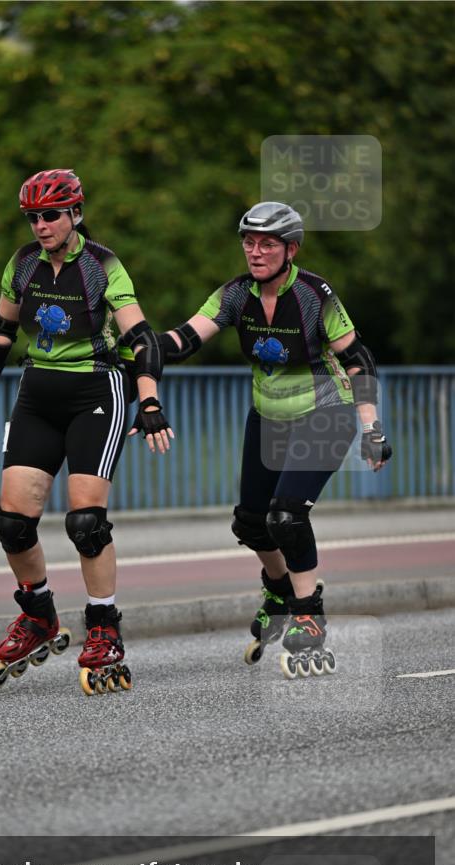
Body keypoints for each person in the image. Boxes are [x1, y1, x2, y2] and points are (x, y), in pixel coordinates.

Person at [157, 201, 391, 676]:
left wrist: (371, 426)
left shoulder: (314, 295)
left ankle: (308, 613)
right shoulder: (234, 295)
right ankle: (280, 591)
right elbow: (184, 340)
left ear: (291, 250)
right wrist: (138, 346)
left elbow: (358, 359)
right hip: (268, 416)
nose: (256, 252)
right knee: (250, 524)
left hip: (326, 411)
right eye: (249, 242)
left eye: (267, 244)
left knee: (285, 516)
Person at [0, 168, 172, 695]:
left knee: (85, 523)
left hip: (96, 391)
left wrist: (149, 399)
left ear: (75, 214)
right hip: (37, 392)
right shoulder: (22, 263)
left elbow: (142, 337)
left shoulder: (103, 266)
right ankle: (38, 613)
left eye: (51, 215)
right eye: (33, 217)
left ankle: (104, 626)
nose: (41, 225)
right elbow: (1, 329)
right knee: (11, 522)